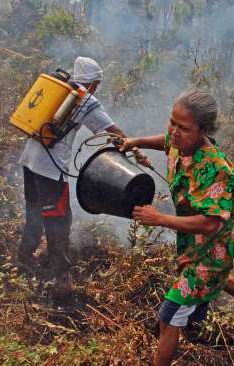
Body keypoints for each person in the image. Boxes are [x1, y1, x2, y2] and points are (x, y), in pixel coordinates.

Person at [119, 91, 234, 365]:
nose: (174, 132)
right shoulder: (181, 143)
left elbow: (210, 223)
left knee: (170, 316)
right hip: (195, 242)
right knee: (214, 279)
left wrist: (159, 218)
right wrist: (135, 141)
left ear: (204, 131)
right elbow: (166, 142)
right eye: (172, 122)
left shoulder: (214, 168)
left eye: (182, 128)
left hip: (214, 243)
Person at [17, 56, 147, 289]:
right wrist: (136, 152)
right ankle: (60, 276)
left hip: (28, 161)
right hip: (50, 170)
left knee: (34, 212)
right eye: (97, 84)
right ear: (94, 83)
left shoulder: (59, 88)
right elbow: (113, 131)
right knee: (59, 220)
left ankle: (24, 258)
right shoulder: (86, 100)